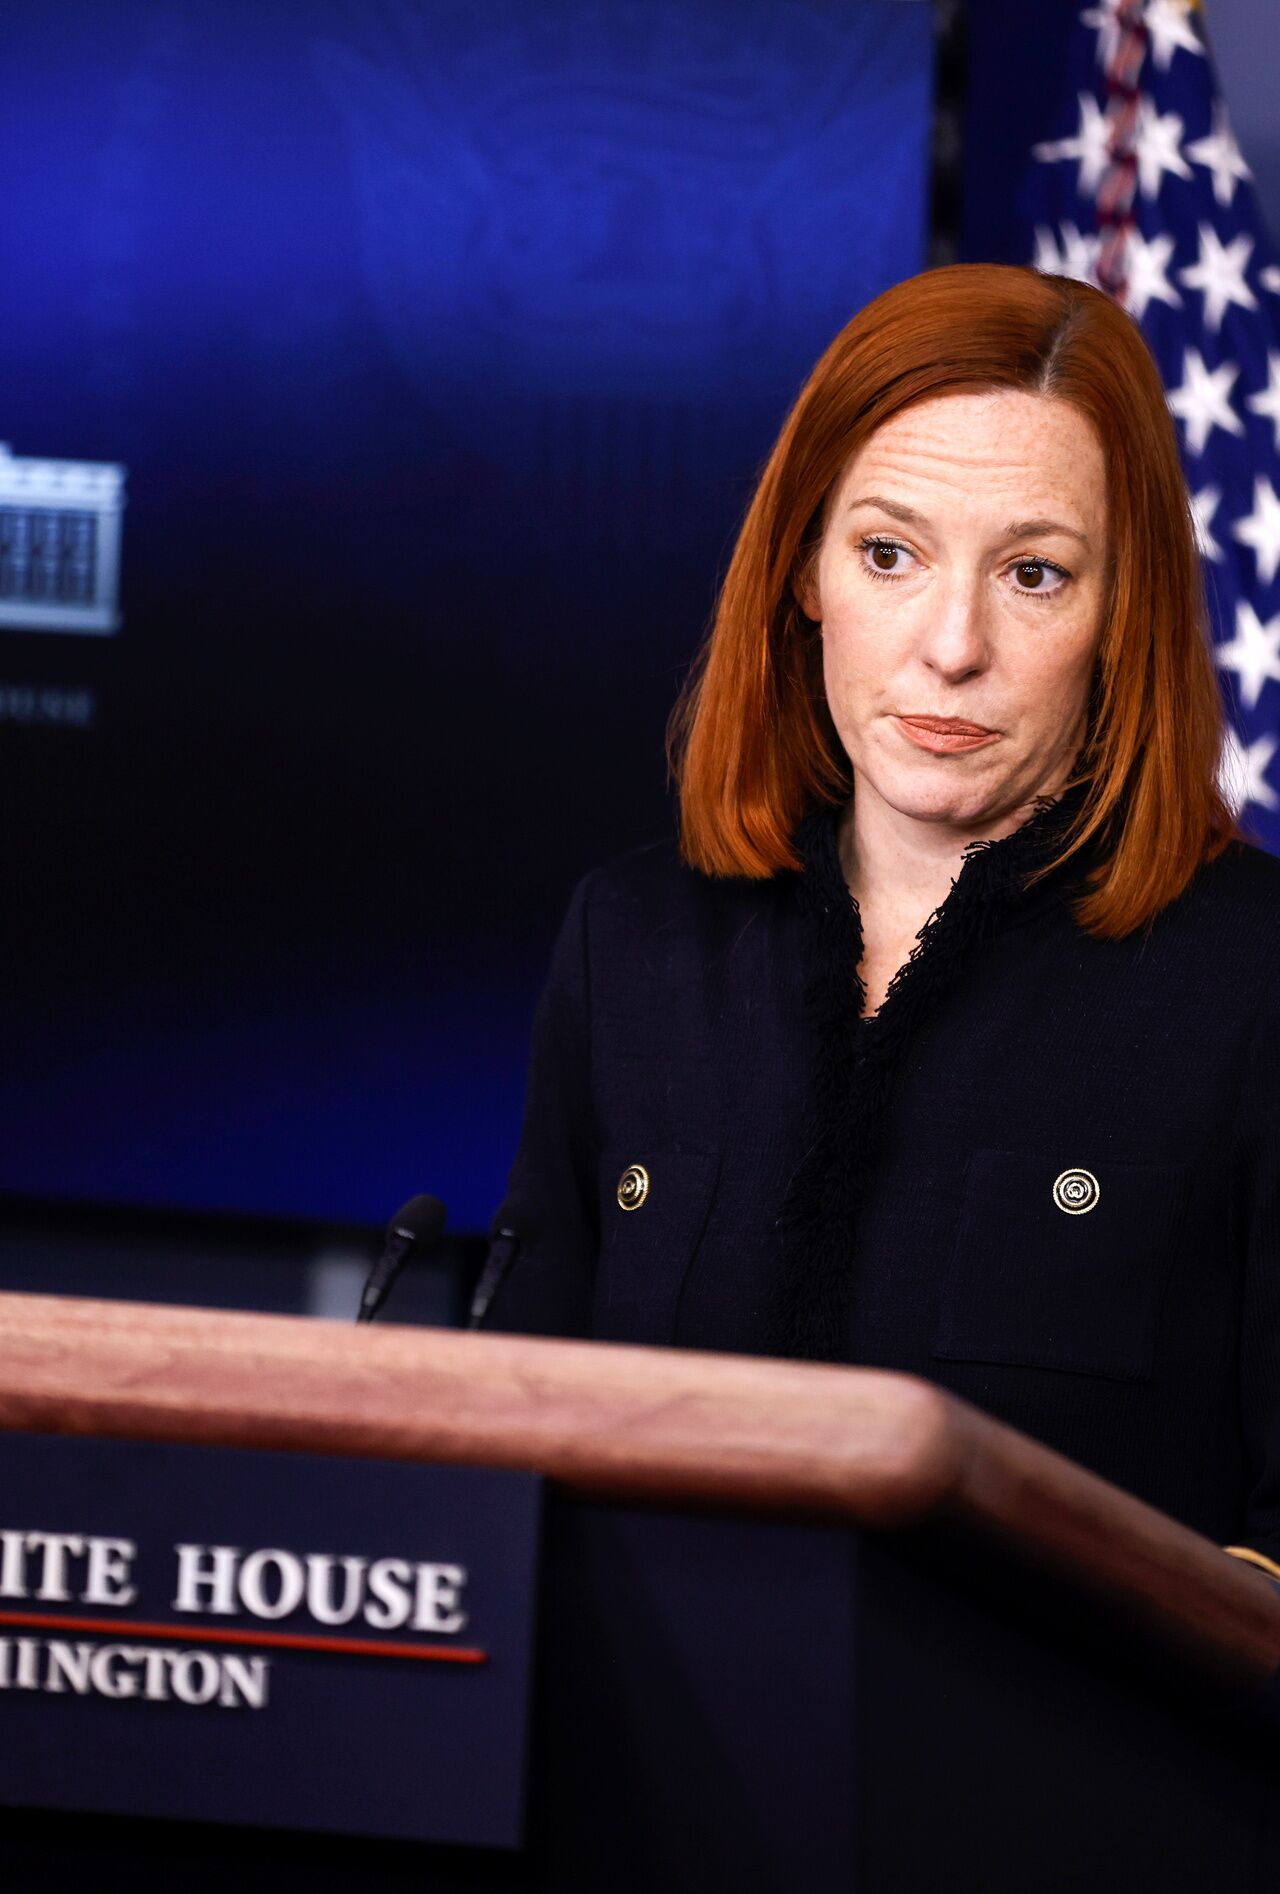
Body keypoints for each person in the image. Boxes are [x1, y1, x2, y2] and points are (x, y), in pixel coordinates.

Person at [478, 263, 1280, 1588]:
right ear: (806, 570)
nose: (951, 646)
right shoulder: (634, 945)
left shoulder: (1253, 979)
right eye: (889, 554)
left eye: (1034, 573)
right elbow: (507, 1456)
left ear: (1120, 611)